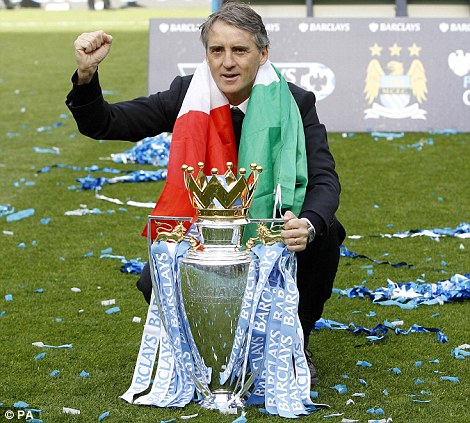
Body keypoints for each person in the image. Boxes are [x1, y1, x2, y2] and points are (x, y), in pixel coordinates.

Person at [66, 1, 345, 385]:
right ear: (207, 54)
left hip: (269, 231)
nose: (227, 62)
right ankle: (209, 344)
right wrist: (86, 74)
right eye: (217, 50)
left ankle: (297, 341)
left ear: (263, 54)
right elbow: (105, 122)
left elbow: (325, 180)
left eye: (240, 50)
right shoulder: (187, 94)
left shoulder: (296, 102)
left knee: (327, 234)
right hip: (205, 233)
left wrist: (308, 225)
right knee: (152, 281)